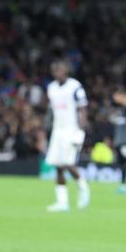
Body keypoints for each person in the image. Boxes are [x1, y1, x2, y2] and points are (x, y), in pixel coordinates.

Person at [45, 59, 90, 212]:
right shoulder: (51, 88)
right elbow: (51, 110)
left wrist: (80, 131)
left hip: (71, 129)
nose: (57, 73)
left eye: (59, 70)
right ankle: (62, 202)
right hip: (58, 130)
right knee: (58, 166)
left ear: (66, 71)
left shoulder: (75, 86)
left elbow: (83, 108)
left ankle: (83, 187)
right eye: (54, 70)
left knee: (68, 163)